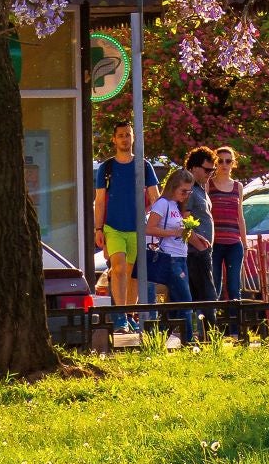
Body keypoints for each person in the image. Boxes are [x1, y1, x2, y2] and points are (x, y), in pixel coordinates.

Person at [93, 120, 158, 330]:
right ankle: (120, 316)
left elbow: (155, 197)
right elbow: (99, 201)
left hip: (137, 228)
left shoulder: (144, 165)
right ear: (114, 139)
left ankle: (129, 315)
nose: (124, 139)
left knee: (132, 274)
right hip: (112, 227)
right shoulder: (106, 167)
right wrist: (98, 229)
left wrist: (158, 224)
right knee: (119, 268)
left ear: (133, 137)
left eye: (128, 134)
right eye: (120, 135)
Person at [145, 167, 199, 343]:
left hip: (181, 256)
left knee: (175, 305)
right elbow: (149, 228)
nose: (186, 195)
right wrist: (173, 232)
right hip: (170, 258)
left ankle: (157, 339)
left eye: (189, 192)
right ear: (173, 187)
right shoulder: (163, 204)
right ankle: (189, 342)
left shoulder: (176, 205)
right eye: (183, 191)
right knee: (185, 301)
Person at [208, 144, 250, 304]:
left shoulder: (238, 186)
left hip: (234, 243)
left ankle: (235, 320)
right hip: (215, 243)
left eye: (228, 161)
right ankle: (212, 319)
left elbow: (240, 216)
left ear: (233, 163)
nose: (224, 164)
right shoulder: (208, 185)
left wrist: (245, 244)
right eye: (220, 161)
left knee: (234, 287)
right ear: (215, 163)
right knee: (214, 287)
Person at [183, 147, 216, 309]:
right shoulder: (188, 188)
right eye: (207, 170)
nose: (210, 174)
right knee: (208, 297)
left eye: (212, 170)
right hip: (194, 252)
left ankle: (201, 324)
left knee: (201, 298)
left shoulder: (201, 188)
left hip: (202, 251)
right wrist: (199, 245)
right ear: (194, 167)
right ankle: (208, 325)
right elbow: (184, 219)